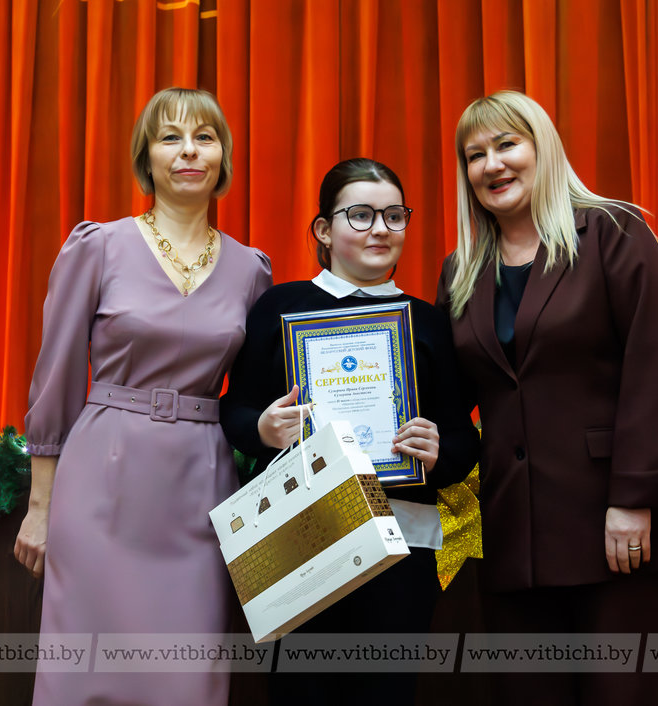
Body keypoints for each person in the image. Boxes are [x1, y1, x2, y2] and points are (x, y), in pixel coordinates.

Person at [436, 90, 658, 705]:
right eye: (475, 155)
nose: (492, 165)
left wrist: (634, 498)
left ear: (543, 149)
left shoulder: (613, 233)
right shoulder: (460, 270)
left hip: (615, 527)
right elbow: (450, 394)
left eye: (507, 145)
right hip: (513, 534)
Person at [13, 87, 272, 706]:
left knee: (187, 677)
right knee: (85, 674)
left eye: (204, 137)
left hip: (199, 489)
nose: (189, 151)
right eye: (170, 137)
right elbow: (55, 375)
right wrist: (40, 506)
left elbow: (254, 398)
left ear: (223, 157)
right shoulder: (97, 246)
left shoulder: (251, 270)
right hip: (101, 480)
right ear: (146, 157)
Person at [220, 158, 479, 706]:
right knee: (299, 696)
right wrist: (262, 428)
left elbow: (462, 440)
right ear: (323, 229)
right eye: (360, 215)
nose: (380, 229)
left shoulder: (429, 321)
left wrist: (439, 452)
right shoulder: (280, 307)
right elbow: (234, 410)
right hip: (299, 539)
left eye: (393, 216)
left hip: (402, 543)